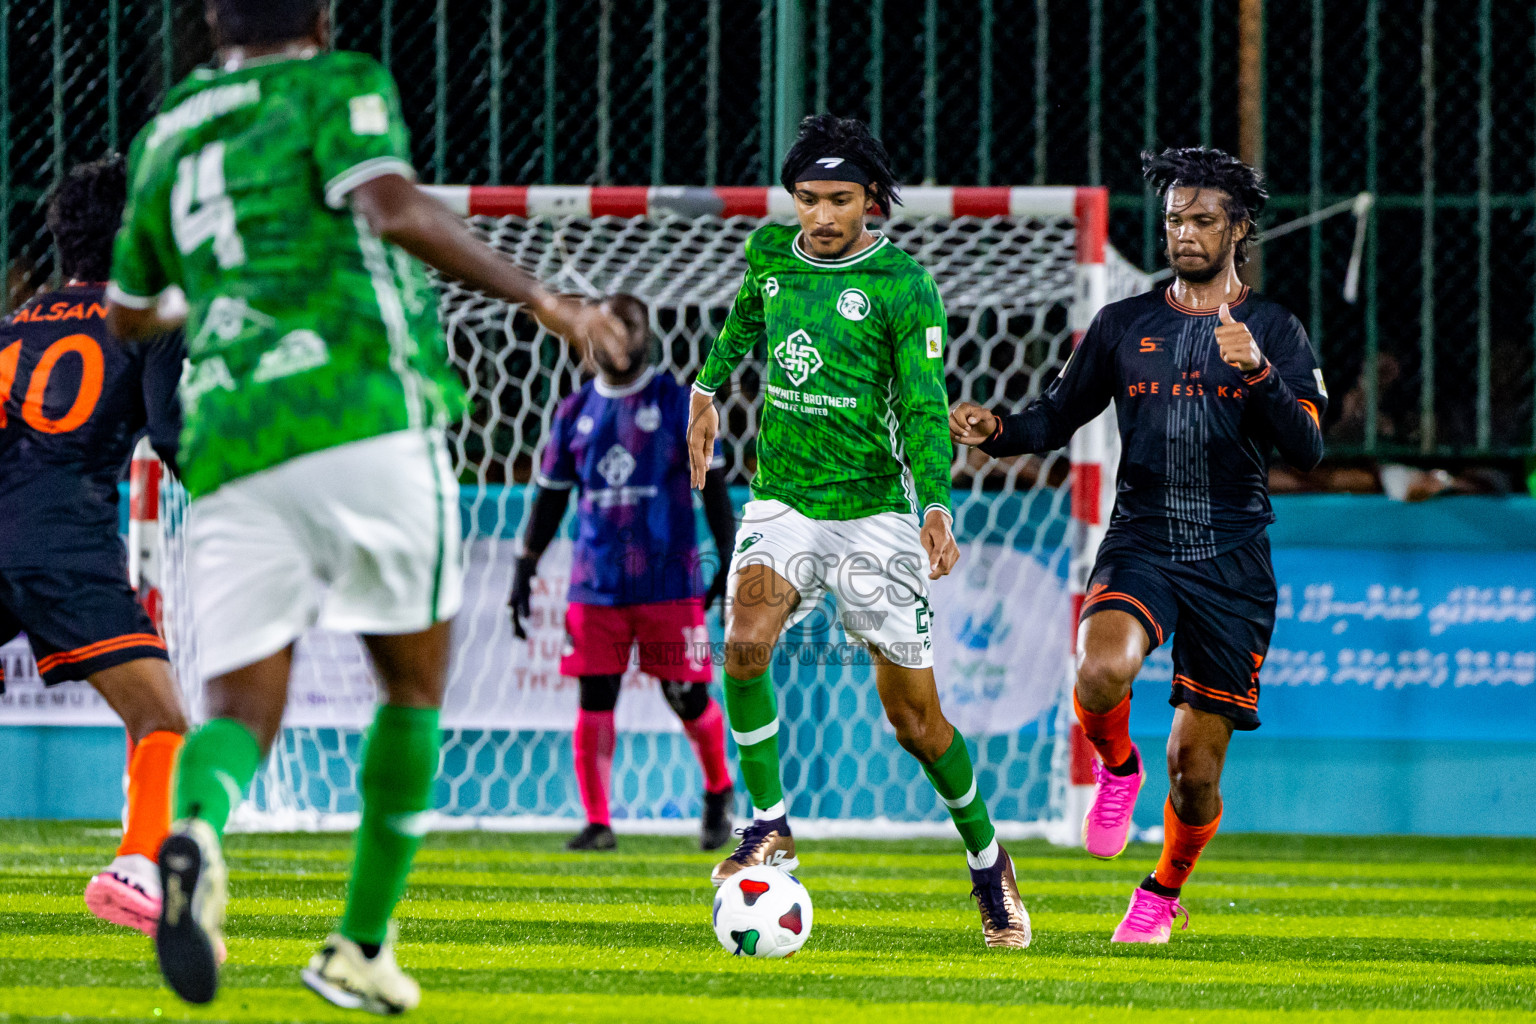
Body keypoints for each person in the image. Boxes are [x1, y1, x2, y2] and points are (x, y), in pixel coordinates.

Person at [106, 0, 627, 1011]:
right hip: (363, 409)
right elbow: (389, 205)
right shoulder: (337, 81)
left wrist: (217, 288)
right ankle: (359, 944)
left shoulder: (168, 125)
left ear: (215, 16)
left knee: (243, 709)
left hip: (230, 434)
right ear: (328, 14)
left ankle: (197, 831)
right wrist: (548, 301)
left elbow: (132, 309)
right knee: (411, 684)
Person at [950, 147, 1328, 943]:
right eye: (1173, 220)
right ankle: (1114, 767)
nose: (1184, 234)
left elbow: (1309, 448)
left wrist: (1259, 374)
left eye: (1202, 220)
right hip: (1143, 538)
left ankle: (1160, 891)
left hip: (1233, 559)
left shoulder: (1275, 329)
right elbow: (1056, 418)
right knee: (1098, 669)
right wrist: (996, 432)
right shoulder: (1124, 325)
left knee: (1194, 778)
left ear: (1239, 229)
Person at [686, 114, 1030, 949]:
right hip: (783, 503)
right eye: (808, 199)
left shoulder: (902, 285)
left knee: (915, 723)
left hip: (874, 516)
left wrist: (937, 508)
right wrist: (706, 387)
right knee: (743, 642)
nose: (823, 216)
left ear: (872, 200)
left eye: (840, 200)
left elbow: (921, 407)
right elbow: (742, 323)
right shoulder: (770, 256)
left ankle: (988, 865)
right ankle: (768, 823)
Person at [0, 156, 188, 938]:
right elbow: (177, 438)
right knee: (162, 720)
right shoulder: (147, 320)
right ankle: (137, 870)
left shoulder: (16, 319)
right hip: (61, 540)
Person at [510, 294, 737, 853]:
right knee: (595, 695)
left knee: (685, 695)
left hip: (667, 579)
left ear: (646, 335)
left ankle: (718, 791)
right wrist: (524, 566)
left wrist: (728, 559)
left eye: (627, 325)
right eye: (606, 325)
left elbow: (716, 493)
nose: (616, 336)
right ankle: (598, 822)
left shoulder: (681, 402)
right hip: (596, 581)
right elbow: (549, 500)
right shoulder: (573, 411)